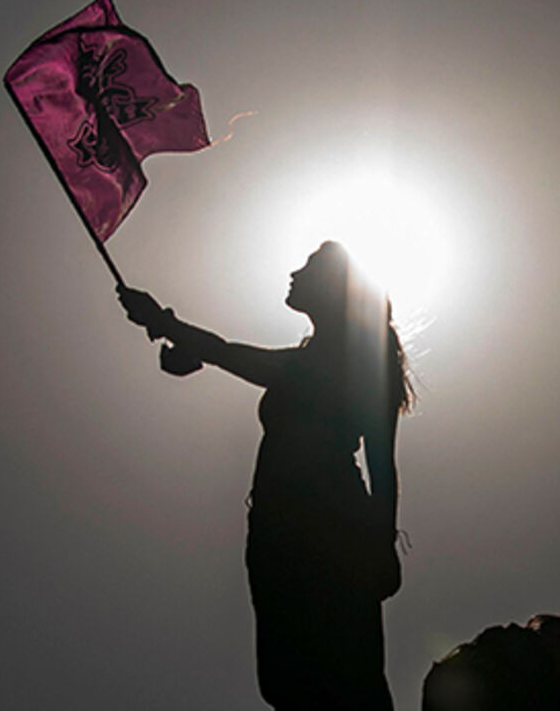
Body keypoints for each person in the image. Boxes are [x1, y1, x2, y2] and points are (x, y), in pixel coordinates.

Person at [117, 241, 413, 710]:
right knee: (291, 679)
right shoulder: (317, 358)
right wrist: (181, 337)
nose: (295, 272)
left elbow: (382, 464)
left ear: (334, 289)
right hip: (281, 529)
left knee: (337, 676)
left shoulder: (349, 360)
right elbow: (233, 356)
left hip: (326, 526)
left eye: (310, 267)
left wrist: (380, 545)